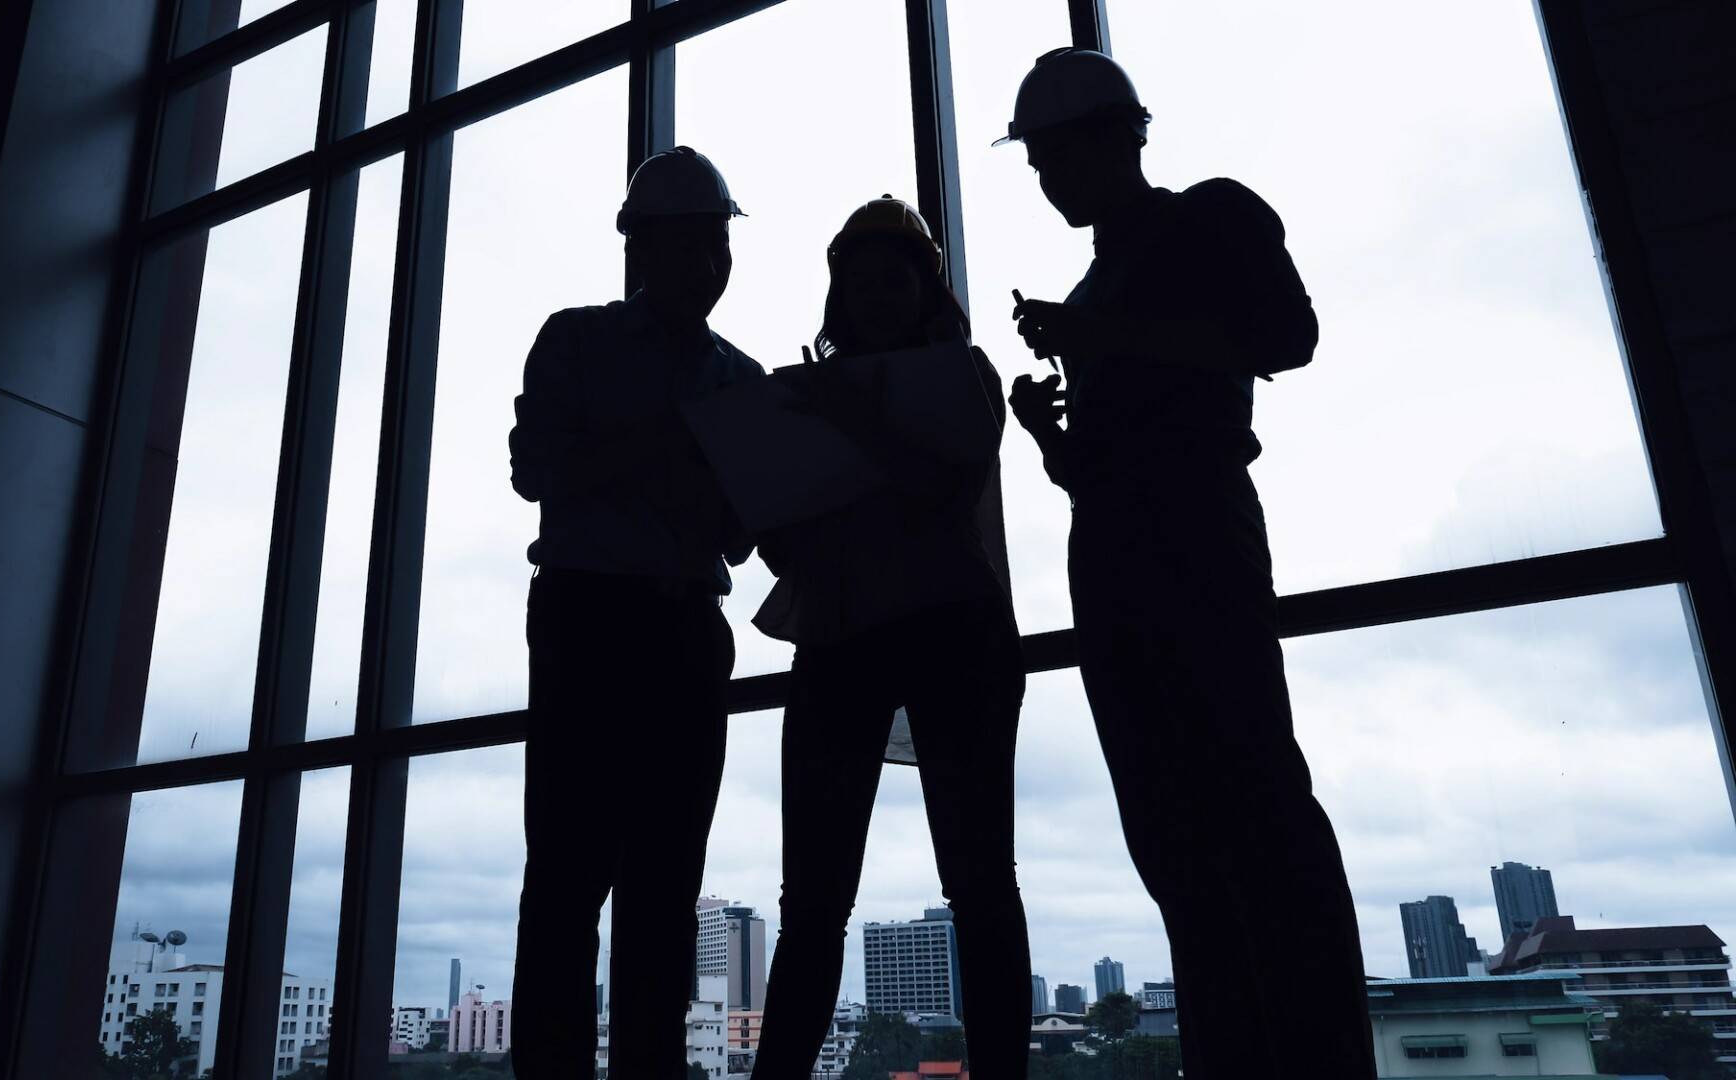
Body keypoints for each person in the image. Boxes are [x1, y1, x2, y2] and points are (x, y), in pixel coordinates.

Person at [997, 49, 1375, 1078]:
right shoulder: (1093, 283)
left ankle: (1314, 1053)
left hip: (1198, 531)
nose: (1047, 180)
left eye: (1055, 155)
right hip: (1115, 549)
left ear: (1121, 137)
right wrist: (1044, 436)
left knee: (1252, 794)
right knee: (1168, 827)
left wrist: (1099, 331)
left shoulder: (1208, 217)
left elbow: (1285, 338)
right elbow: (1100, 469)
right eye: (1035, 164)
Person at [749, 197, 1032, 1079]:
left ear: (922, 288)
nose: (873, 295)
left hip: (863, 636)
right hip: (937, 632)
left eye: (889, 278)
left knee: (837, 903)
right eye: (859, 282)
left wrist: (825, 431)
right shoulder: (957, 377)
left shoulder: (959, 378)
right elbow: (789, 536)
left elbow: (936, 490)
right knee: (969, 887)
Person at [506, 146, 763, 1079]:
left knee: (655, 889)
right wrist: (681, 453)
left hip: (671, 626)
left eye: (716, 247)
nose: (706, 266)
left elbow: (740, 533)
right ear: (640, 249)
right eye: (689, 245)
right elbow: (538, 470)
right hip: (597, 620)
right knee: (576, 878)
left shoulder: (738, 378)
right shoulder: (584, 343)